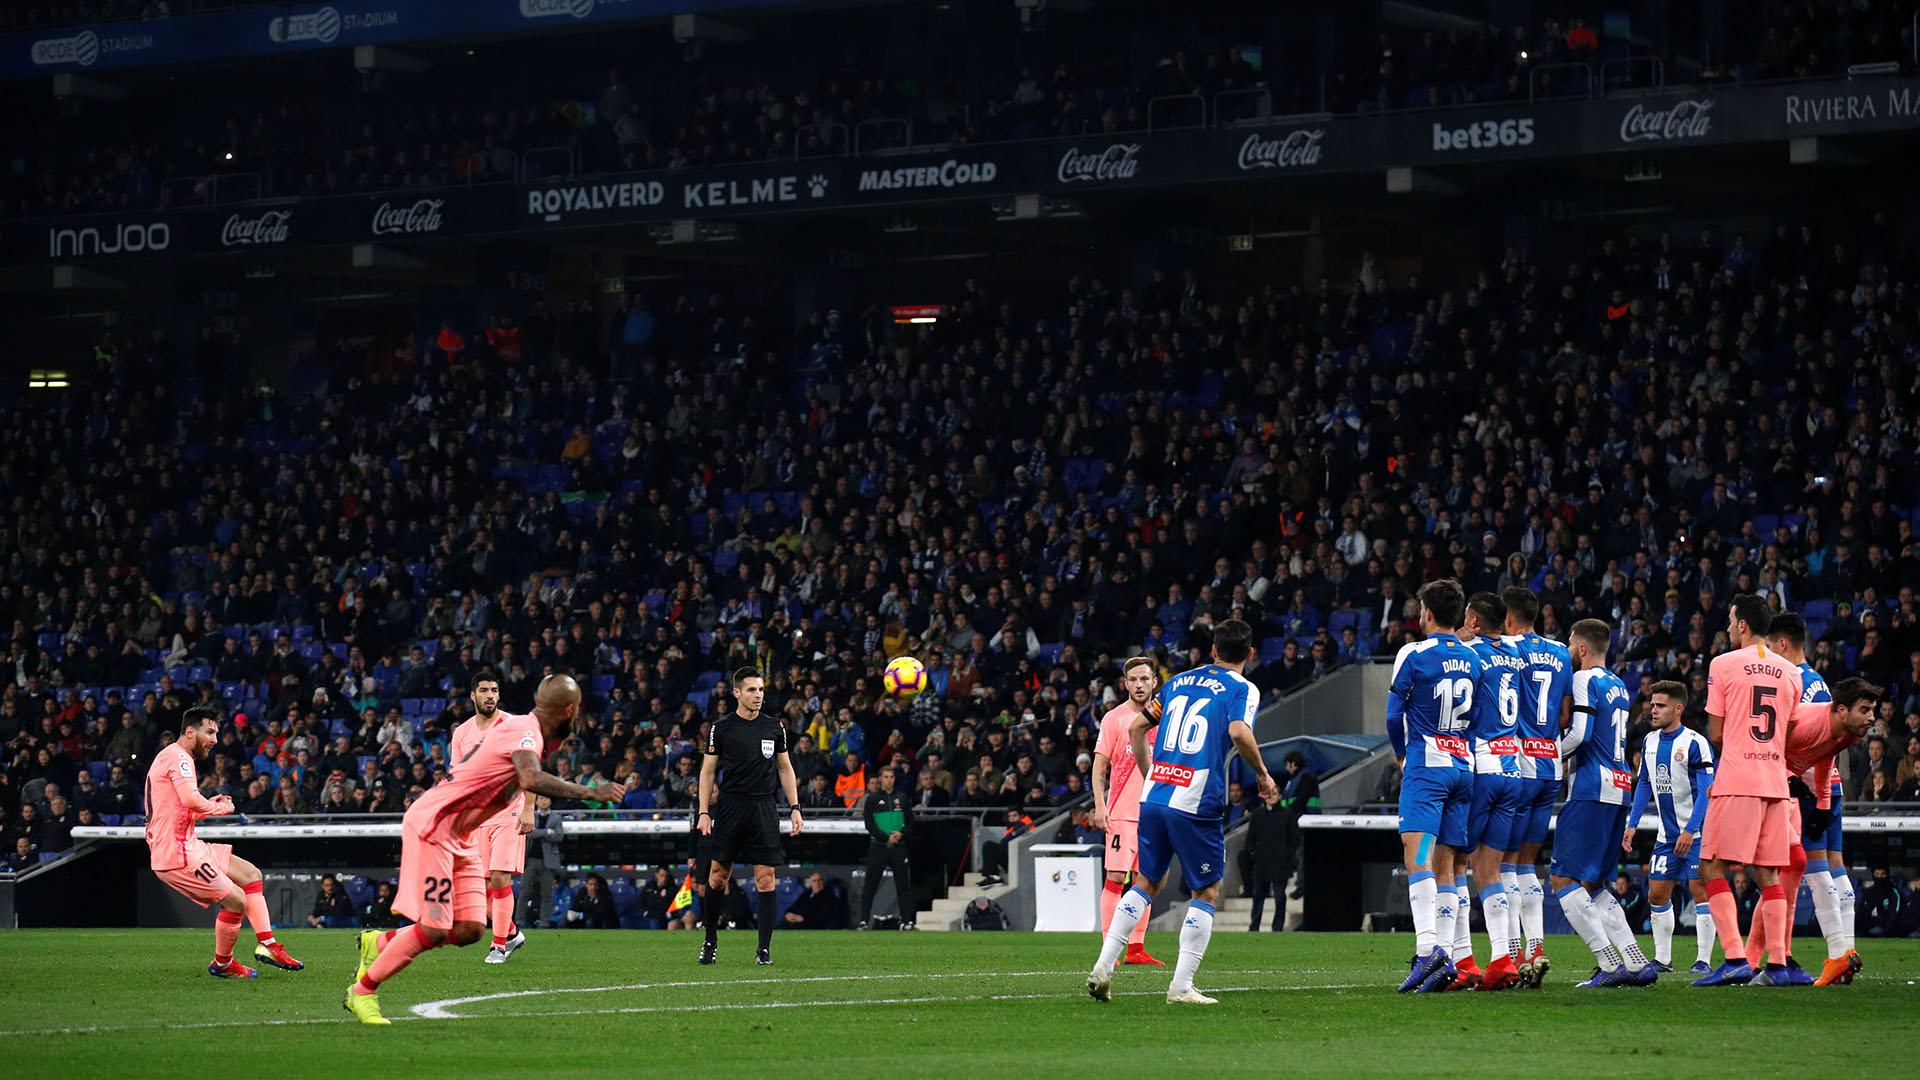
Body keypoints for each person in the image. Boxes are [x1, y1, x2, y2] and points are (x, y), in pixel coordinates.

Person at [345, 675, 622, 1024]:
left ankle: (379, 943)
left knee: (469, 929)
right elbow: (530, 778)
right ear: (568, 710)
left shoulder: (518, 727)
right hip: (436, 825)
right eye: (578, 707)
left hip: (461, 831)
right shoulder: (526, 731)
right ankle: (363, 991)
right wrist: (591, 792)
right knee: (433, 927)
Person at [1086, 618, 1278, 1006]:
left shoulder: (1179, 681)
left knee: (1146, 881)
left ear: (1212, 651)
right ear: (1251, 654)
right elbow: (1240, 732)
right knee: (1205, 889)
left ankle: (1104, 967)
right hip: (1196, 799)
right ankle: (1181, 986)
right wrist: (1263, 775)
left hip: (1155, 795)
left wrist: (1150, 773)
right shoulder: (1243, 688)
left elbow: (1137, 729)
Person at [144, 706, 304, 979]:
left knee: (251, 875)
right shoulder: (179, 758)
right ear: (190, 731)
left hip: (187, 843)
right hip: (176, 853)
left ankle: (268, 945)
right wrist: (218, 809)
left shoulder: (172, 756)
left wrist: (209, 804)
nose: (215, 739)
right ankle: (223, 964)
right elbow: (191, 799)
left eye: (216, 733)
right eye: (210, 732)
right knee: (236, 901)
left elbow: (178, 807)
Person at [1693, 595, 1800, 988]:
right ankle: (1776, 965)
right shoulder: (1791, 672)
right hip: (1775, 779)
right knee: (1769, 873)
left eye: (1730, 618)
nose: (1726, 626)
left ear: (1741, 626)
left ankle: (1736, 958)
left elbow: (1717, 733)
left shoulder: (1723, 664)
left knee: (1711, 866)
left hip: (1738, 778)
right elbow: (1788, 733)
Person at [1385, 581, 1481, 993]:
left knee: (1417, 857)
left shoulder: (1413, 653)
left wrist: (1401, 752)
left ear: (1425, 612)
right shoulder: (1473, 658)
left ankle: (1428, 951)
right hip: (1463, 768)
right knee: (1448, 867)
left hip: (1428, 769)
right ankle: (1447, 955)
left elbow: (1393, 714)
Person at [1548, 618, 1655, 988]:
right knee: (1594, 885)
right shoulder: (1619, 687)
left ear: (1581, 649)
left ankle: (1608, 963)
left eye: (1569, 645)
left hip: (1591, 786)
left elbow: (1580, 734)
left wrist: (1546, 756)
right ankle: (1636, 961)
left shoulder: (1583, 679)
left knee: (1562, 877)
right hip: (1620, 783)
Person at [1767, 613, 1858, 984]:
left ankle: (1838, 952)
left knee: (1812, 867)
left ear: (1783, 644)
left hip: (1805, 785)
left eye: (1771, 647)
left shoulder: (1797, 680)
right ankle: (1847, 951)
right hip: (1826, 783)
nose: (1768, 655)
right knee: (1833, 864)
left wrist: (1804, 787)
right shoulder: (1817, 682)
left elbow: (1811, 740)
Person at [697, 668, 803, 966]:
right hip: (730, 807)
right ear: (737, 693)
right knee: (717, 877)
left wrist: (795, 808)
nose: (758, 695)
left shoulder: (774, 727)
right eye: (752, 690)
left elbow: (785, 768)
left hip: (763, 808)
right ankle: (710, 941)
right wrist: (704, 812)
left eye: (761, 690)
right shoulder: (721, 728)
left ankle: (764, 949)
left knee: (766, 879)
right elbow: (707, 772)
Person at [1783, 676, 1881, 983]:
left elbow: (1824, 762)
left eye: (1872, 710)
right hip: (1762, 778)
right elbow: (1765, 749)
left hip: (1794, 788)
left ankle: (1830, 954)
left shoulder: (1849, 734)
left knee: (1788, 867)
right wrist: (1788, 777)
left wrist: (1823, 807)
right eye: (1864, 710)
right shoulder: (1810, 723)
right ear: (1841, 711)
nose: (1872, 718)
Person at [1454, 591, 1527, 990]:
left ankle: (1462, 957)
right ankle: (1502, 958)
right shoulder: (1514, 656)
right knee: (1491, 869)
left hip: (1481, 766)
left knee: (1455, 864)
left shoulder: (1471, 654)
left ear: (1475, 622)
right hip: (1513, 767)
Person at [1502, 585, 1570, 987]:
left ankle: (1512, 953)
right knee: (1528, 862)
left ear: (1508, 618)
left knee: (1503, 863)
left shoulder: (1508, 650)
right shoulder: (1561, 652)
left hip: (1519, 762)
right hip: (1551, 765)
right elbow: (1563, 714)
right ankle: (1538, 947)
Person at [1623, 680, 1716, 974]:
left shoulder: (1695, 742)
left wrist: (1691, 830)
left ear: (1678, 709)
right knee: (1657, 894)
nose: (1653, 710)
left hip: (1697, 834)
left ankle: (1703, 960)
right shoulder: (1649, 741)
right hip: (1666, 836)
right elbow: (1645, 784)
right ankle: (1663, 959)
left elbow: (1707, 792)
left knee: (1700, 891)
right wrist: (1633, 823)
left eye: (1660, 705)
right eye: (1652, 704)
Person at [448, 673, 536, 964]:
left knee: (499, 877)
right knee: (481, 886)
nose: (490, 695)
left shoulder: (514, 726)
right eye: (484, 690)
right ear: (472, 696)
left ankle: (498, 946)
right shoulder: (461, 733)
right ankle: (511, 933)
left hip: (509, 811)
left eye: (495, 690)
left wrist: (529, 808)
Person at [1088, 655, 1162, 965]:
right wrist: (1100, 805)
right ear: (1125, 683)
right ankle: (1110, 946)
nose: (1139, 684)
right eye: (1133, 679)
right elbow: (1099, 766)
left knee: (1145, 878)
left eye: (1145, 679)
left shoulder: (1164, 717)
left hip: (1153, 811)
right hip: (1121, 811)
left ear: (1154, 682)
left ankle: (1136, 947)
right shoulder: (1114, 718)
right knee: (1116, 876)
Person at [858, 768, 915, 929]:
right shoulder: (873, 799)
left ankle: (906, 921)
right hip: (879, 846)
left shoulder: (902, 798)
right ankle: (863, 921)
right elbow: (869, 824)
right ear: (881, 779)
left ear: (894, 779)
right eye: (886, 777)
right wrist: (885, 837)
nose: (889, 780)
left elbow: (911, 822)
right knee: (871, 884)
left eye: (891, 777)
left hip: (898, 846)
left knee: (903, 885)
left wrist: (901, 834)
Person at [1240, 783, 1293, 932]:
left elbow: (1294, 838)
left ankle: (1277, 927)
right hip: (1261, 861)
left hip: (1280, 862)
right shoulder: (1257, 815)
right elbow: (1250, 838)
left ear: (1280, 796)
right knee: (1258, 896)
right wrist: (1254, 853)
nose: (1271, 797)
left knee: (1279, 896)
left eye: (1274, 793)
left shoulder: (1287, 814)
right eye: (1268, 793)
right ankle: (1254, 926)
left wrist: (1286, 855)